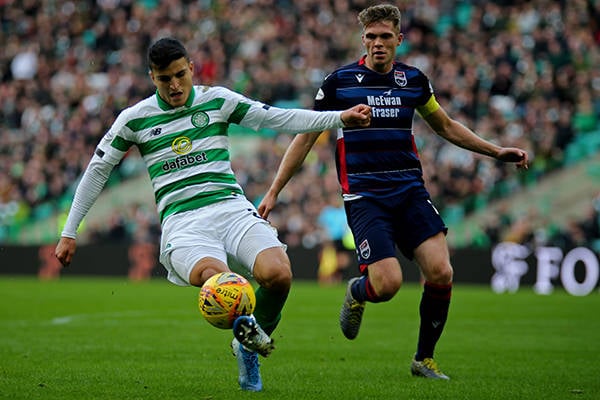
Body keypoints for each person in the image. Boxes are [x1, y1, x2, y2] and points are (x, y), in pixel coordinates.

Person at [54, 37, 371, 392]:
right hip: (185, 222)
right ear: (151, 77)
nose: (174, 85)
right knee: (225, 287)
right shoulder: (134, 119)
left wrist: (338, 117)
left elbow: (277, 118)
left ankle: (248, 343)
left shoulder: (217, 99)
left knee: (279, 275)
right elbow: (98, 170)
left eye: (179, 74)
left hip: (231, 208)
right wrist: (70, 230)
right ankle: (248, 339)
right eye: (164, 79)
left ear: (191, 67)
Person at [257, 4, 529, 380]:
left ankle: (424, 359)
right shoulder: (339, 82)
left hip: (410, 191)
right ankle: (358, 291)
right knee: (387, 285)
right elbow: (306, 137)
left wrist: (496, 151)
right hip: (366, 197)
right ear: (363, 40)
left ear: (399, 40)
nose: (378, 44)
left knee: (441, 271)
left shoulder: (414, 80)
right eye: (371, 37)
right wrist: (274, 191)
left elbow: (446, 126)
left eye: (386, 37)